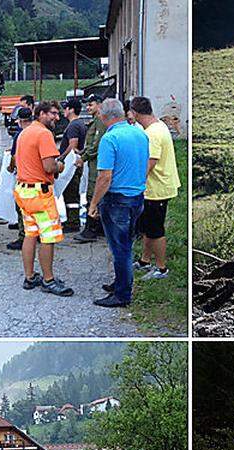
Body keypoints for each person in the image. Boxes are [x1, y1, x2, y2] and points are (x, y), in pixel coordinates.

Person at [88, 98, 148, 308]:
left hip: (117, 200)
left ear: (104, 117)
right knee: (126, 244)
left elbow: (105, 177)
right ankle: (120, 282)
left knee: (120, 249)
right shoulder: (140, 133)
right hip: (137, 197)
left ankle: (122, 294)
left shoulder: (109, 139)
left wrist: (93, 203)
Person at [14, 101, 74, 297]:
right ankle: (48, 280)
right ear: (41, 114)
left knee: (30, 234)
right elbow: (49, 166)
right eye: (53, 114)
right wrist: (62, 167)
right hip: (40, 193)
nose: (57, 117)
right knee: (48, 237)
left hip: (24, 191)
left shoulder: (25, 132)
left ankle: (29, 277)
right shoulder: (44, 134)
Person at [130, 96, 179, 281]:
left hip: (157, 188)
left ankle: (161, 268)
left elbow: (150, 161)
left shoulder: (152, 134)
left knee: (156, 230)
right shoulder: (158, 126)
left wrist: (135, 182)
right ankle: (145, 261)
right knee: (148, 227)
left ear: (134, 113)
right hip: (155, 187)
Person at [73, 94, 106, 243]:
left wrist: (84, 157)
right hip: (94, 162)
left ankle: (91, 230)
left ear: (99, 105)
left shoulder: (100, 121)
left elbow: (97, 144)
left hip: (97, 164)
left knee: (93, 194)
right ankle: (98, 227)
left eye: (91, 105)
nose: (88, 108)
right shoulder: (96, 121)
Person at [6, 105, 33, 251]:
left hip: (23, 177)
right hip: (38, 178)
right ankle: (37, 234)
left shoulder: (20, 135)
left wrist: (10, 167)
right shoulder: (40, 132)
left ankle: (24, 237)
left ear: (20, 120)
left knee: (22, 208)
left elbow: (15, 156)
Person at [58, 98, 87, 233]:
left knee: (70, 193)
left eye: (66, 108)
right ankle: (72, 219)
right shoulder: (79, 124)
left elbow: (73, 145)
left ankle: (73, 221)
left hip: (72, 166)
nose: (64, 111)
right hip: (75, 164)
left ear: (71, 110)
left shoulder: (74, 125)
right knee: (71, 193)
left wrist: (61, 158)